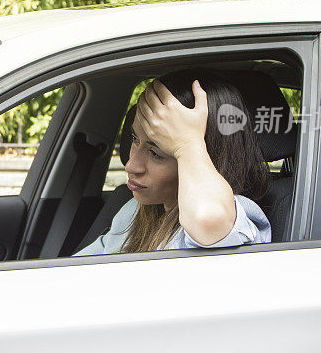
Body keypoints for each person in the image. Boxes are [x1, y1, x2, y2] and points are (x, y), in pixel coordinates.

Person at [75, 69, 271, 255]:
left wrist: (187, 143)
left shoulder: (227, 216)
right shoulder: (134, 212)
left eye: (156, 153)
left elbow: (207, 218)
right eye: (135, 139)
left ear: (205, 156)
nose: (131, 165)